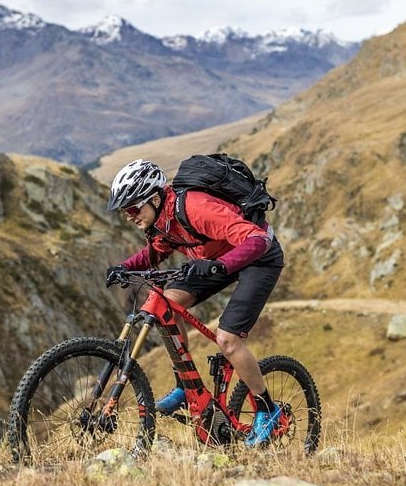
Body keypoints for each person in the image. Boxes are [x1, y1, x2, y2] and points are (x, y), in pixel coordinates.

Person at [105, 158, 285, 447]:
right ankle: (184, 385)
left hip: (259, 258)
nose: (129, 216)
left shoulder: (195, 208)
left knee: (227, 340)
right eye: (125, 212)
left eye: (133, 208)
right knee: (167, 301)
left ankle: (268, 410)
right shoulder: (163, 220)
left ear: (153, 198)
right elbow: (157, 251)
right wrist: (124, 266)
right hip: (215, 261)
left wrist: (219, 267)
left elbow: (257, 239)